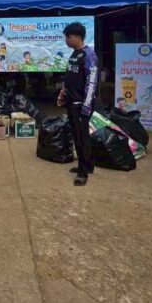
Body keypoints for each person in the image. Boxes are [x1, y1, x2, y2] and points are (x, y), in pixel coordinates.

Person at [57, 22, 98, 187]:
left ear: (77, 36)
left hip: (81, 104)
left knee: (81, 139)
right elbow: (70, 77)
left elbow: (91, 82)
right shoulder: (74, 54)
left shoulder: (89, 55)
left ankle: (83, 173)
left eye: (68, 37)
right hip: (71, 102)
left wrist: (86, 106)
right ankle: (87, 165)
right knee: (78, 136)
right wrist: (63, 93)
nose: (66, 40)